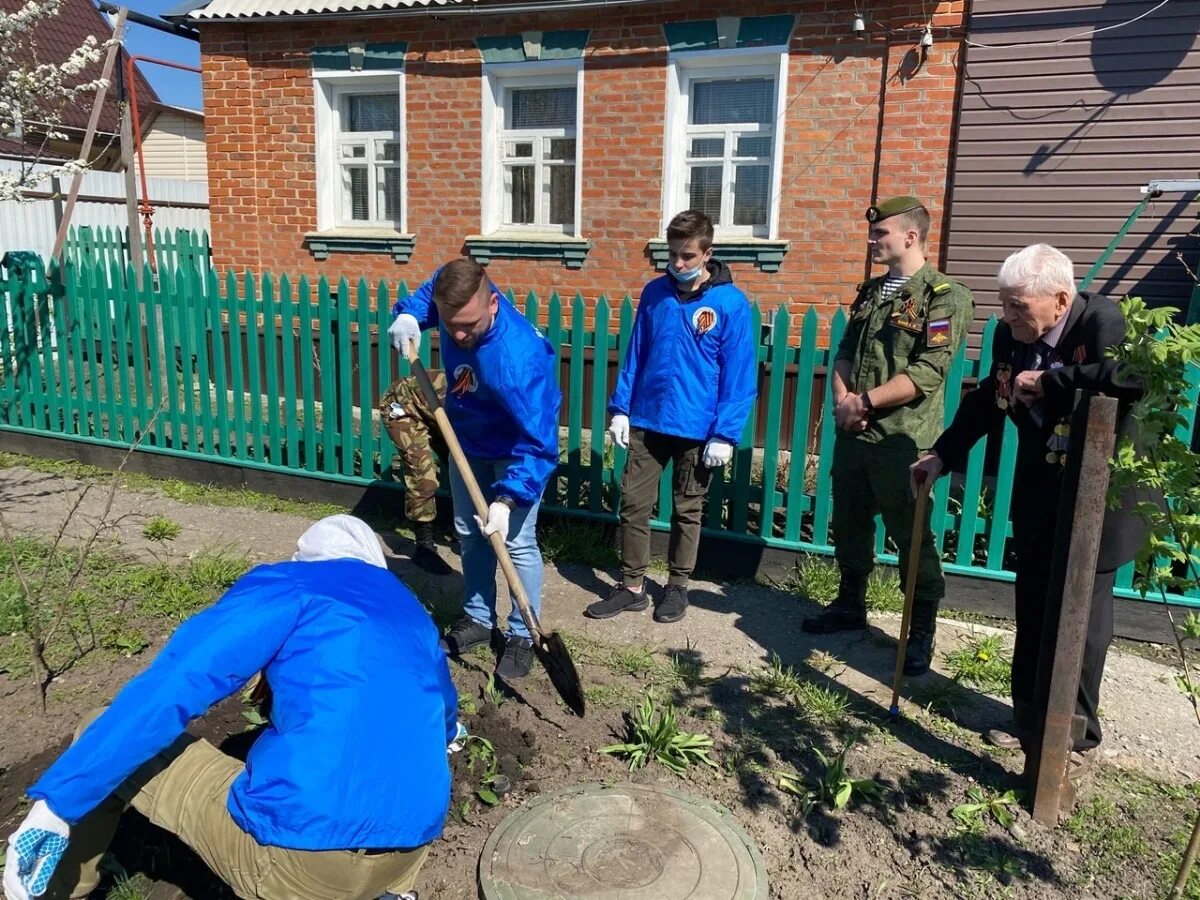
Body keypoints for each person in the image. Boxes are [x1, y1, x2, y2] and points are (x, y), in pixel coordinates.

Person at [3, 515, 457, 900]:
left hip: (305, 860)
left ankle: (52, 889)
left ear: (307, 558)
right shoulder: (410, 612)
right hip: (409, 851)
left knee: (95, 727)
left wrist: (57, 805)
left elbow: (179, 683)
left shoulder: (292, 585)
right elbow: (445, 721)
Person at [911, 243, 1145, 768]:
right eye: (1005, 302)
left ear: (1061, 301)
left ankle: (1074, 733)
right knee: (1033, 605)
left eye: (1019, 305)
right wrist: (941, 457)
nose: (1007, 314)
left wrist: (1050, 379)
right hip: (1041, 488)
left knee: (1081, 619)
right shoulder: (1008, 336)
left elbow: (1129, 377)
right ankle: (1027, 720)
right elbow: (988, 401)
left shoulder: (1102, 321)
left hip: (1099, 498)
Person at [801, 196, 974, 677]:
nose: (872, 240)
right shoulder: (871, 292)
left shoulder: (944, 296)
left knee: (912, 537)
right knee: (851, 523)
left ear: (911, 237)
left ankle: (919, 631)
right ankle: (850, 603)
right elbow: (843, 352)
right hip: (855, 436)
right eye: (873, 233)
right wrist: (844, 403)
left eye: (881, 234)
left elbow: (929, 371)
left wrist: (867, 403)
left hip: (904, 442)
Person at [388, 258, 561, 679]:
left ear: (494, 305)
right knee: (469, 533)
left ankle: (523, 634)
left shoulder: (519, 360)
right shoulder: (462, 295)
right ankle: (480, 619)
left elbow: (539, 443)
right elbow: (435, 286)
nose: (459, 334)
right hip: (468, 440)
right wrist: (410, 313)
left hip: (515, 451)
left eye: (469, 325)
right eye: (451, 325)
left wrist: (508, 497)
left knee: (515, 543)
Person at [584, 210, 756, 624]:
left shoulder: (730, 304)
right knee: (633, 504)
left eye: (687, 255)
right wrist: (620, 408)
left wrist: (725, 434)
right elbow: (636, 352)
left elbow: (740, 373)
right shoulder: (655, 293)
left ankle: (677, 587)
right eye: (673, 254)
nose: (678, 263)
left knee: (687, 510)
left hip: (698, 427)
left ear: (707, 253)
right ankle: (631, 586)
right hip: (648, 417)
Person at [379, 372, 454, 576]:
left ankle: (466, 533)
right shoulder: (473, 402)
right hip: (404, 404)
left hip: (436, 412)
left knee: (463, 470)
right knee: (422, 475)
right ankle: (424, 547)